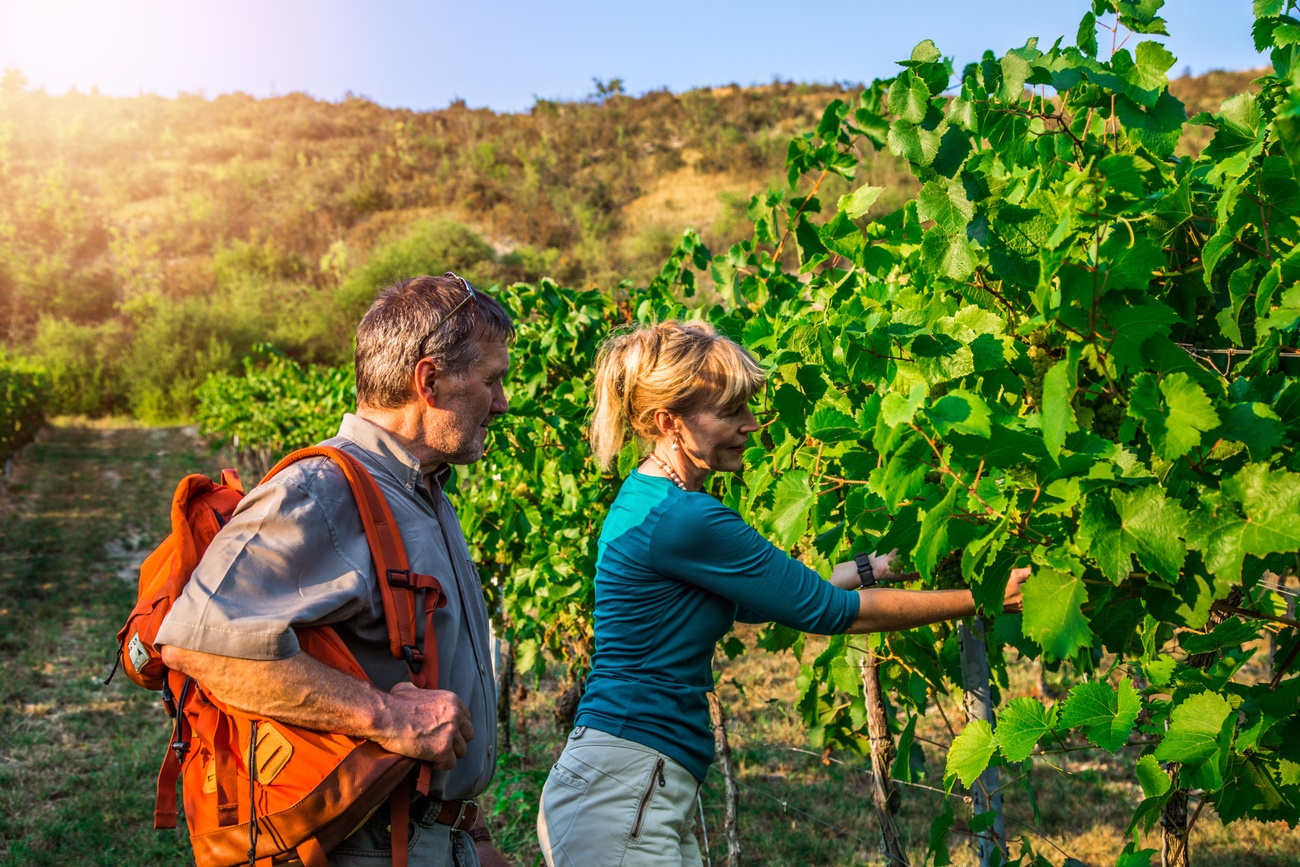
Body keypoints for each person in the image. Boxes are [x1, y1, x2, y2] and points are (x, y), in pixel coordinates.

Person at [536, 319, 1030, 867]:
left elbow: (769, 598)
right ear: (668, 422)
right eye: (729, 412)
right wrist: (980, 599)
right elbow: (831, 611)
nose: (751, 424)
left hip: (627, 781)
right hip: (623, 787)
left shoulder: (652, 499)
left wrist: (879, 566)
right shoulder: (685, 519)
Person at [157, 273, 514, 867]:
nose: (502, 402)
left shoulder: (421, 489)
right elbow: (199, 644)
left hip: (428, 835)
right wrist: (388, 716)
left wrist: (466, 834)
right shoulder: (322, 491)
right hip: (364, 842)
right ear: (428, 380)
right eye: (492, 380)